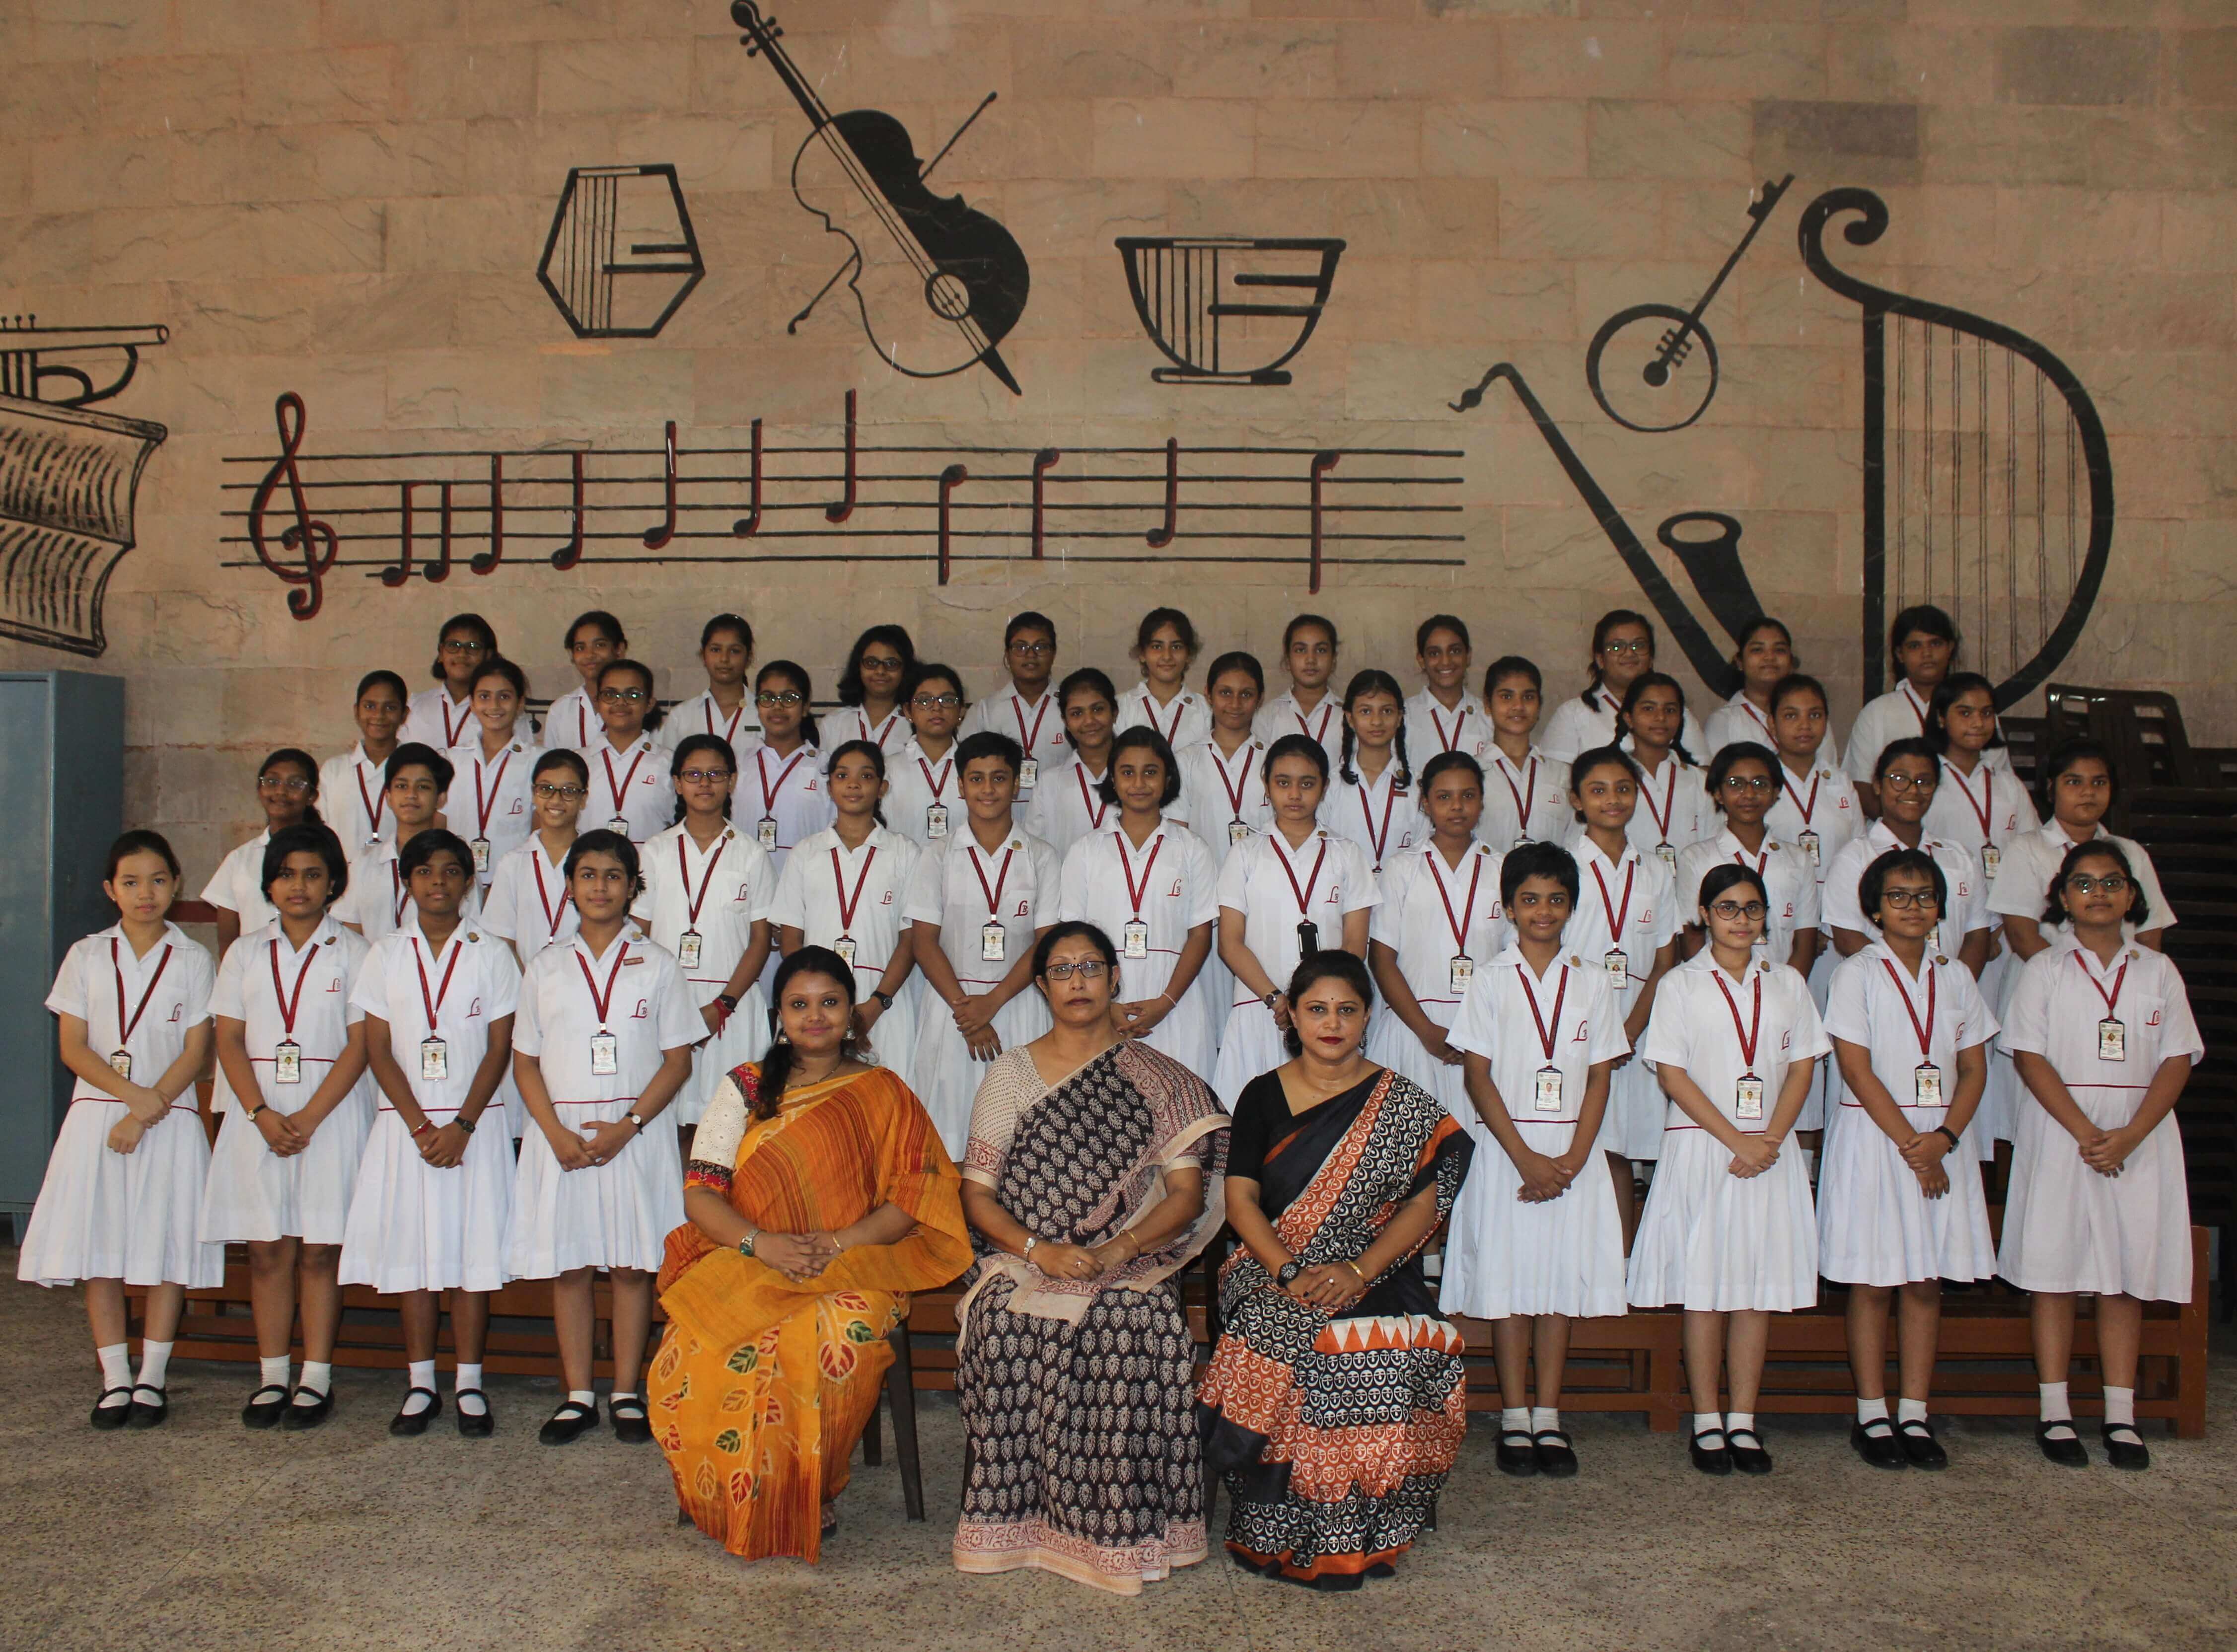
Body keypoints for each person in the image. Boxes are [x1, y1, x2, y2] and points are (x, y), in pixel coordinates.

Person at [651, 948, 972, 1561]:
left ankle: (809, 1488)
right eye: (799, 1004)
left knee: (841, 1338)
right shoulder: (745, 1087)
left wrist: (837, 1243)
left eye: (829, 1002)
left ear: (851, 1012)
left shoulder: (883, 1091)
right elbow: (701, 1193)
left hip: (855, 1260)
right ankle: (730, 1490)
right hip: (748, 1254)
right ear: (779, 1015)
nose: (815, 1016)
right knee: (698, 1340)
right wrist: (762, 1243)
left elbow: (916, 1194)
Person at [953, 924, 1229, 1593]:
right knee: (1005, 1323)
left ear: (1114, 978)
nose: (1077, 981)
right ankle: (1016, 1525)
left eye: (1090, 967)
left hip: (1130, 1258)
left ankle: (1127, 1531)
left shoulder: (1161, 1080)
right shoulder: (1010, 1074)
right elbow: (977, 1194)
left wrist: (1116, 1249)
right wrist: (1038, 1248)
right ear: (1041, 985)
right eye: (1062, 969)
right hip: (1022, 1259)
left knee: (1141, 1325)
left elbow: (1187, 1196)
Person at [1198, 951, 1472, 1589]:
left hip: (1373, 1266)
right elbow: (1240, 1201)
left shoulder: (1401, 1102)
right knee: (1292, 1335)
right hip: (1268, 1262)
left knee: (1385, 1345)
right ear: (1291, 1016)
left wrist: (1359, 1269)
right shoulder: (1261, 1094)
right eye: (1316, 1009)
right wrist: (1289, 1270)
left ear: (1366, 1017)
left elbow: (1427, 1198)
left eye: (1346, 1010)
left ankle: (1363, 1525)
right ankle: (1277, 1522)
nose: (1331, 1023)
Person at [2000, 841, 2202, 1471]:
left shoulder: (2156, 971)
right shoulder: (2044, 970)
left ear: (2131, 895)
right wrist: (2087, 1132)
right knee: (2054, 1274)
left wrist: (2131, 1133)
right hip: (2063, 1132)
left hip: (2140, 1135)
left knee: (2123, 1275)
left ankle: (2120, 1415)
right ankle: (2054, 1412)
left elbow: (2176, 1058)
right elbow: (2029, 1056)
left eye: (2111, 882)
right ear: (2062, 899)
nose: (2098, 894)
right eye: (2083, 884)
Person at [1626, 865, 1828, 1477]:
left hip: (1768, 1151)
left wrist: (1769, 1139)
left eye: (1751, 908)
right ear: (1703, 915)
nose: (1741, 920)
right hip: (1704, 1147)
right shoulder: (1680, 985)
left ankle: (1742, 1419)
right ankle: (1707, 1421)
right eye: (1726, 908)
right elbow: (1671, 1073)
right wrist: (1736, 1139)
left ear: (1766, 916)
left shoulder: (1787, 982)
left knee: (1753, 1289)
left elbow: (1802, 1067)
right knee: (1704, 1291)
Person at [18, 831, 218, 1429]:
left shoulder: (193, 958)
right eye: (131, 882)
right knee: (100, 1247)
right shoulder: (86, 955)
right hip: (100, 1116)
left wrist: (146, 1110)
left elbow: (196, 1051)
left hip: (170, 1117)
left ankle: (152, 1377)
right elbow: (74, 1048)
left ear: (176, 884)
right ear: (111, 890)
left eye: (157, 880)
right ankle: (115, 1378)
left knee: (165, 1247)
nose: (145, 893)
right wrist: (133, 1101)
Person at [1442, 842, 1629, 1478]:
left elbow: (1600, 1074)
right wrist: (1525, 1158)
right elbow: (1477, 1075)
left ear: (1571, 906)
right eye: (1529, 900)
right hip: (1508, 1154)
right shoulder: (1490, 979)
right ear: (1508, 908)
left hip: (1572, 1156)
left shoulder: (1593, 979)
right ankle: (1514, 1417)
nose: (1542, 911)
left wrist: (1573, 1158)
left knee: (1556, 1287)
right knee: (1510, 1286)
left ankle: (1548, 1415)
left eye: (1554, 899)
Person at [510, 830, 702, 1445]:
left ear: (631, 887)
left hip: (633, 1135)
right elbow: (523, 1061)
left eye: (613, 876)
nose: (600, 887)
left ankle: (624, 1392)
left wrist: (628, 1126)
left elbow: (677, 1060)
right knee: (569, 1267)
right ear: (570, 886)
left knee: (630, 1267)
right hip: (561, 1139)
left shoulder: (659, 963)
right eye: (588, 875)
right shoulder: (544, 966)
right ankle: (576, 1395)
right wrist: (552, 1133)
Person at [1821, 848, 1998, 1472]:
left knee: (1925, 1282)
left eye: (1924, 896)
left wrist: (1943, 1139)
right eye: (1897, 897)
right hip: (1878, 1139)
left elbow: (1973, 1068)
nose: (1913, 907)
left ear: (1940, 908)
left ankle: (1915, 1413)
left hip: (1942, 1140)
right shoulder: (1855, 974)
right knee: (1873, 1282)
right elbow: (1854, 1067)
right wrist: (1913, 1147)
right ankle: (1871, 1414)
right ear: (1874, 909)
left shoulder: (1956, 977)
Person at [338, 829, 518, 1437]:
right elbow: (377, 1048)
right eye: (423, 871)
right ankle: (420, 1384)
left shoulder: (491, 953)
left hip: (474, 1125)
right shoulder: (385, 954)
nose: (437, 882)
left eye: (449, 871)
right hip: (406, 1127)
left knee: (471, 1257)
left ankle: (468, 1383)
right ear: (407, 882)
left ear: (468, 882)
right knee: (412, 1257)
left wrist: (462, 1124)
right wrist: (420, 1125)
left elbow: (499, 1048)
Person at [200, 825, 372, 1430]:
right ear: (269, 884)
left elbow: (361, 1044)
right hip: (259, 1115)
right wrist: (260, 1114)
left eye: (312, 875)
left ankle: (316, 1378)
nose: (298, 886)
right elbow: (228, 1037)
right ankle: (273, 1376)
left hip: (330, 1114)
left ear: (334, 883)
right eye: (286, 875)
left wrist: (310, 1116)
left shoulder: (355, 952)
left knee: (320, 1250)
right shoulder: (245, 952)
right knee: (268, 1249)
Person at [904, 732, 1062, 1153]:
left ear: (1016, 784)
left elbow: (1046, 943)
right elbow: (923, 942)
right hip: (952, 1010)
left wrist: (991, 1002)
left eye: (999, 777)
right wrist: (968, 1011)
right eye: (976, 778)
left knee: (1023, 1140)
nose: (988, 789)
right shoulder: (936, 855)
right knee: (949, 1134)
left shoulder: (1042, 855)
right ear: (960, 785)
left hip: (1018, 1004)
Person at [1211, 735, 1379, 1107]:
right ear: (1266, 783)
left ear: (1324, 786)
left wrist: (1315, 1004)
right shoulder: (1245, 853)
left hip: (1327, 1018)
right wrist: (1278, 1001)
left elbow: (1355, 945)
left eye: (1307, 783)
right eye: (1283, 782)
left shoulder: (1347, 853)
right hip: (1261, 1008)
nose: (1294, 794)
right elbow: (1230, 943)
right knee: (1251, 1120)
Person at [1924, 672, 2040, 1160]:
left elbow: (2032, 856)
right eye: (1964, 712)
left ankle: (1991, 1161)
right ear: (1940, 718)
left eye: (1986, 713)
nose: (1976, 723)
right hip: (1952, 935)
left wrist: (2004, 928)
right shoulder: (1927, 779)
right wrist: (1975, 931)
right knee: (1952, 1045)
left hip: (2007, 932)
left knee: (1998, 1049)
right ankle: (1949, 1144)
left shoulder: (2007, 784)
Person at [633, 735, 775, 1128]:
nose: (705, 783)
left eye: (716, 774)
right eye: (693, 774)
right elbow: (639, 933)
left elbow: (760, 941)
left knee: (731, 1126)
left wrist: (722, 1006)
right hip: (667, 1002)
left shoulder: (751, 853)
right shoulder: (656, 850)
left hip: (731, 1004)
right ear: (677, 783)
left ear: (732, 781)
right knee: (668, 1122)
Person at [1056, 729, 1218, 1074]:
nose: (1139, 783)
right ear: (1113, 780)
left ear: (1168, 778)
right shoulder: (1086, 850)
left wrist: (1166, 1002)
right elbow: (1073, 940)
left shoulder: (1192, 848)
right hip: (1102, 1004)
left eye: (1151, 772)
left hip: (1176, 1002)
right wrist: (1107, 1004)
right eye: (1128, 772)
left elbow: (1200, 935)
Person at [772, 740, 923, 1092]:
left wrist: (876, 1005)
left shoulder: (904, 852)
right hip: (817, 1008)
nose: (853, 784)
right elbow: (791, 940)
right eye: (842, 776)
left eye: (865, 776)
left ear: (882, 788)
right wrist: (816, 1001)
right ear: (829, 788)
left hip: (883, 1001)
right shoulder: (806, 853)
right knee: (816, 1103)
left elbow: (911, 939)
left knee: (887, 1102)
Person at [1365, 752, 1507, 1120]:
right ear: (1425, 803)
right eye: (1444, 797)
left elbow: (1514, 960)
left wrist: (1489, 1029)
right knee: (1412, 1142)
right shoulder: (1402, 868)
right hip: (1414, 1026)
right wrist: (1426, 1031)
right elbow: (1382, 959)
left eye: (1467, 795)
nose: (1456, 806)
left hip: (1484, 1031)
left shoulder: (1503, 869)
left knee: (1479, 1140)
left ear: (1481, 801)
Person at [1563, 747, 1679, 1173]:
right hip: (1573, 1022)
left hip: (1636, 1025)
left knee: (1621, 1150)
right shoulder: (1561, 865)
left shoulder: (1655, 870)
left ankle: (1624, 1224)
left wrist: (1627, 1032)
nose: (1612, 799)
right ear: (1576, 800)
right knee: (1578, 1142)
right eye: (1598, 790)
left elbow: (1665, 961)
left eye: (1623, 789)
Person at [1990, 739, 2175, 962]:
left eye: (2099, 782)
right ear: (2051, 788)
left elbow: (2149, 935)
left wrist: (2129, 978)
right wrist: (2077, 980)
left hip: (2121, 980)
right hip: (2046, 979)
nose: (2088, 792)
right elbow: (2022, 936)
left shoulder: (2132, 853)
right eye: (2074, 782)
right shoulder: (2026, 849)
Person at [1823, 739, 1991, 978]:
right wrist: (1906, 985)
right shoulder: (1854, 858)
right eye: (1899, 779)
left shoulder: (1960, 857)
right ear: (1878, 785)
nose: (1913, 790)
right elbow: (1847, 937)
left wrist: (1952, 985)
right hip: (1881, 988)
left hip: (1951, 993)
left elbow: (1978, 935)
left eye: (1924, 782)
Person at [1676, 743, 1821, 977]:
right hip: (1715, 990)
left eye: (1760, 784)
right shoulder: (1696, 858)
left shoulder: (1798, 860)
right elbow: (1693, 939)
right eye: (1736, 784)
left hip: (1782, 989)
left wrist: (1786, 991)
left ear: (1776, 793)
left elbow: (1805, 943)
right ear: (1718, 793)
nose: (1749, 794)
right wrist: (1715, 990)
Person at [335, 744, 480, 944]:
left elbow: (472, 934)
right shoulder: (364, 863)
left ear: (441, 798)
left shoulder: (457, 866)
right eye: (402, 786)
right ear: (388, 797)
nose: (411, 795)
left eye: (423, 787)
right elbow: (351, 935)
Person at [203, 746, 325, 956]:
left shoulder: (326, 856)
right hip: (254, 971)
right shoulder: (239, 859)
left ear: (312, 796)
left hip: (315, 966)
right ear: (260, 790)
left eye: (295, 784)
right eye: (272, 781)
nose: (281, 791)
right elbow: (227, 943)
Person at [1845, 603, 1962, 815]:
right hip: (1896, 829)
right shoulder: (1876, 712)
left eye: (1935, 643)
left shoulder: (1973, 711)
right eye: (1915, 646)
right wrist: (1900, 827)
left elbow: (1994, 778)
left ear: (1950, 648)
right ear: (1900, 654)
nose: (1927, 653)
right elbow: (1861, 787)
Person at [482, 749, 593, 967]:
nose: (556, 799)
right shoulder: (513, 863)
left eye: (569, 791)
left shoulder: (595, 862)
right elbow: (502, 940)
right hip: (525, 982)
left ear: (583, 799)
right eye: (546, 789)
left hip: (587, 981)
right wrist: (530, 982)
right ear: (534, 795)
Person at [1540, 610, 1697, 764]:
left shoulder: (1676, 713)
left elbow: (1702, 772)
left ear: (1651, 658)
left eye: (1639, 646)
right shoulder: (1572, 714)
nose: (1629, 653)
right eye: (1617, 647)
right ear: (1600, 660)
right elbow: (1557, 776)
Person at [1763, 673, 1862, 902]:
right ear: (1772, 724)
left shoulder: (1840, 782)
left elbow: (1859, 852)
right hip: (1776, 907)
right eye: (1791, 716)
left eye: (1815, 715)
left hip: (1836, 908)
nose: (1805, 725)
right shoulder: (1760, 783)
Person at [1702, 617, 1841, 771]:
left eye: (1779, 650)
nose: (1769, 657)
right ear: (1740, 661)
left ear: (1791, 662)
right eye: (1758, 650)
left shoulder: (1813, 717)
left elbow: (1828, 774)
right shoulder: (1723, 722)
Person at [451, 656, 540, 891]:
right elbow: (440, 827)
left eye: (505, 696)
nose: (494, 705)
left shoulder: (538, 762)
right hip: (459, 888)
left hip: (515, 885)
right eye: (484, 697)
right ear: (471, 703)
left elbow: (540, 832)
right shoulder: (451, 760)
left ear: (520, 703)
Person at [1175, 649, 1270, 866]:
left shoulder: (1275, 759)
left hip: (1264, 880)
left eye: (1246, 694)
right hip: (1204, 880)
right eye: (1225, 693)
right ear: (1208, 695)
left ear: (1260, 698)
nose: (1235, 704)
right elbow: (1178, 836)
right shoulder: (1185, 761)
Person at [961, 611, 1071, 798]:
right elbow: (967, 768)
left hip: (1059, 810)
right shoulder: (985, 711)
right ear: (1007, 654)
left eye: (1041, 647)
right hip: (1000, 812)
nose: (1031, 655)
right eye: (1021, 647)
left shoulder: (1071, 708)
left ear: (1053, 653)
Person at [1468, 656, 1571, 848]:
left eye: (1528, 697)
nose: (1518, 706)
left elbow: (1575, 839)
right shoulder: (1470, 773)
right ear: (1488, 704)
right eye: (1506, 697)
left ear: (1539, 706)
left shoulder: (1563, 775)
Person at [744, 660, 834, 878]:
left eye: (789, 698)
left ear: (806, 707)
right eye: (767, 698)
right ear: (757, 706)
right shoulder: (738, 765)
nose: (778, 706)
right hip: (745, 885)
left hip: (807, 885)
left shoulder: (825, 767)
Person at [1326, 669, 1418, 873]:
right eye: (1366, 712)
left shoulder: (1418, 786)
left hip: (1405, 891)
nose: (1377, 721)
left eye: (1387, 711)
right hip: (1344, 891)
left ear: (1400, 717)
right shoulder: (1330, 786)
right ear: (1350, 719)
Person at [1617, 674, 1714, 864]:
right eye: (1649, 709)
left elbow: (1713, 848)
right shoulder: (1613, 779)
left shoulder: (1701, 782)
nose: (1661, 717)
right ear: (1629, 718)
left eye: (1670, 710)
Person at [1025, 666, 1122, 855]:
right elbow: (1035, 852)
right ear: (1065, 721)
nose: (1089, 721)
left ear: (1115, 712)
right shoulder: (1050, 783)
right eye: (1077, 713)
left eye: (1098, 709)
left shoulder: (1135, 776)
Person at [319, 669, 407, 862]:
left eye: (390, 708)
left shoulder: (414, 770)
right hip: (345, 877)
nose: (379, 715)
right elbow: (320, 834)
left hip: (400, 876)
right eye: (370, 706)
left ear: (404, 715)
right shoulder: (334, 771)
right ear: (356, 712)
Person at [586, 658, 671, 843]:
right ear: (597, 703)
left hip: (651, 862)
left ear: (649, 704)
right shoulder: (579, 762)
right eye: (610, 695)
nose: (621, 702)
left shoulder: (669, 763)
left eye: (633, 695)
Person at [887, 661, 967, 850]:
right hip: (904, 867)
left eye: (947, 700)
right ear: (908, 711)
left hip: (964, 866)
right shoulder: (887, 769)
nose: (936, 708)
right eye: (924, 701)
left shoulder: (974, 768)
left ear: (961, 711)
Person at [1251, 613, 1344, 771]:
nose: (1311, 660)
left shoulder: (1348, 716)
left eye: (1321, 650)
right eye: (1301, 650)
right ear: (1288, 660)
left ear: (1334, 660)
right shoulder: (1267, 717)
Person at [403, 612, 498, 752]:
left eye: (473, 647)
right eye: (453, 645)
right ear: (441, 653)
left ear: (488, 656)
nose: (462, 654)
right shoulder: (416, 706)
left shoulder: (499, 710)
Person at [1121, 606, 1211, 752]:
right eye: (1157, 647)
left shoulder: (1206, 710)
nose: (1167, 656)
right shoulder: (1122, 707)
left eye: (1176, 647)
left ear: (1189, 655)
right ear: (1142, 654)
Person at [670, 613, 759, 752]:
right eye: (715, 650)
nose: (724, 659)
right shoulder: (681, 716)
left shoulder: (764, 713)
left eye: (735, 651)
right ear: (703, 655)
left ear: (749, 657)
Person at [545, 609, 628, 752]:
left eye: (600, 645)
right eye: (580, 648)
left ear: (619, 649)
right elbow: (552, 761)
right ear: (572, 656)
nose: (589, 655)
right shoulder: (561, 710)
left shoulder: (635, 705)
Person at [1405, 614, 1483, 758]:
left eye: (1455, 651)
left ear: (1468, 656)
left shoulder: (1487, 716)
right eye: (1434, 653)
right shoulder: (1405, 716)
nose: (1446, 661)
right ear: (1421, 660)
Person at [834, 623, 915, 751]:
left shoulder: (918, 722)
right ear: (858, 667)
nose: (880, 671)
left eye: (891, 664)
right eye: (871, 663)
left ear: (906, 669)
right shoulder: (834, 723)